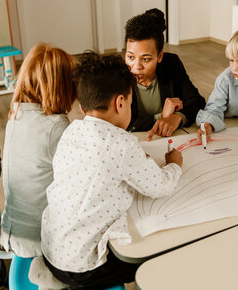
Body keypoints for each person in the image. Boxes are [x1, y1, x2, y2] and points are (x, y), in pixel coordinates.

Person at [41, 51, 183, 289]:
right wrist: (175, 164)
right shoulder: (122, 145)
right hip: (81, 267)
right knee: (161, 253)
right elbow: (161, 186)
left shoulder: (72, 131)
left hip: (50, 247)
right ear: (119, 102)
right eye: (129, 102)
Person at [0, 43, 77, 257]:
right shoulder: (55, 126)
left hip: (11, 232)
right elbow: (78, 178)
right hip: (40, 240)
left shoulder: (16, 113)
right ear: (64, 86)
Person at [124, 8, 206, 139]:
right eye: (131, 57)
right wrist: (162, 116)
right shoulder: (118, 74)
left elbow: (197, 102)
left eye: (146, 59)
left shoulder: (171, 64)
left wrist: (177, 117)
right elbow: (123, 123)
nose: (136, 67)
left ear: (160, 56)